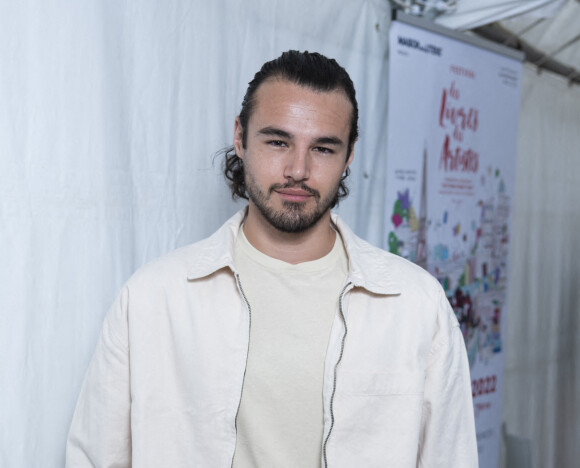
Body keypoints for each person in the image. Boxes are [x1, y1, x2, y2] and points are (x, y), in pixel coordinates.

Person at [66, 50, 478, 467]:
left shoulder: (416, 305)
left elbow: (451, 456)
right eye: (278, 141)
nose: (297, 169)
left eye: (322, 148)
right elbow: (95, 457)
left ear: (349, 154)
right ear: (241, 138)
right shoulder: (154, 298)